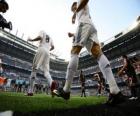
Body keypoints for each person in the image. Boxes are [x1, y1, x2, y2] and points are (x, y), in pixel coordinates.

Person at [53, 0, 125, 105]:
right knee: (98, 54)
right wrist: (74, 34)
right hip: (90, 27)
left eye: (73, 8)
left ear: (74, 5)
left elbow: (83, 20)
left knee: (74, 52)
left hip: (85, 25)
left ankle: (66, 90)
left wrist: (75, 12)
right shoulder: (83, 12)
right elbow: (84, 32)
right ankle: (115, 91)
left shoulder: (78, 6)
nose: (73, 10)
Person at [27, 30, 57, 97]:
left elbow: (40, 37)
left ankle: (30, 91)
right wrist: (47, 50)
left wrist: (31, 40)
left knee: (34, 69)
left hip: (41, 49)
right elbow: (53, 47)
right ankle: (52, 83)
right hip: (47, 53)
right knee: (46, 72)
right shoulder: (50, 37)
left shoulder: (42, 31)